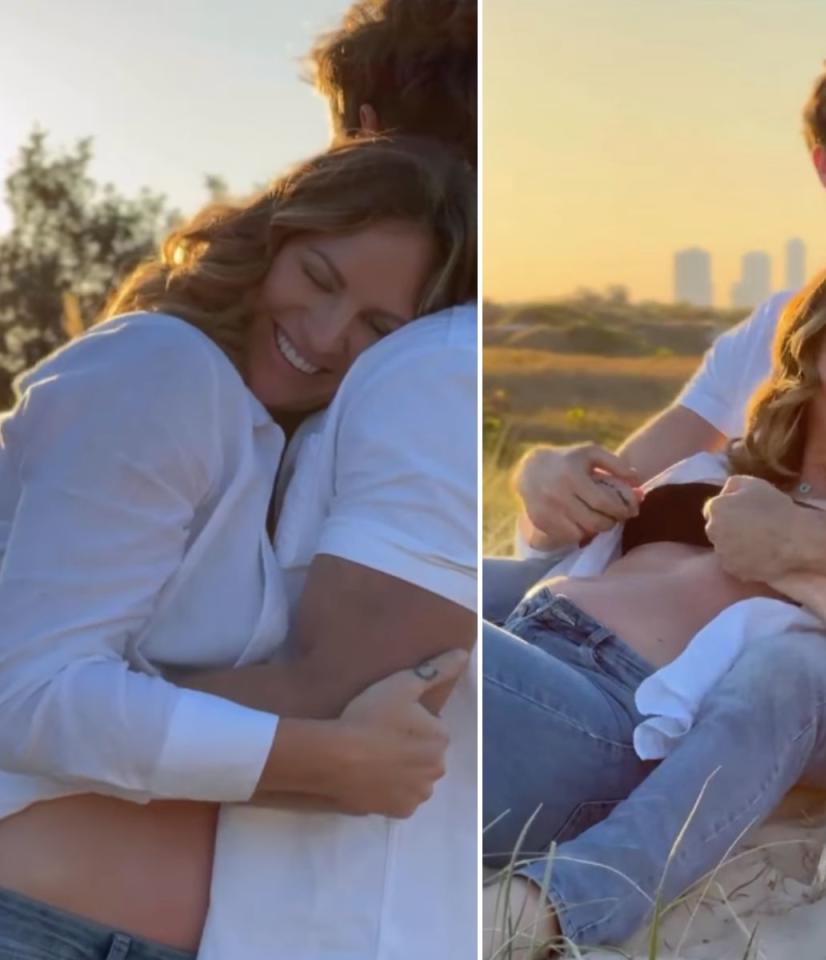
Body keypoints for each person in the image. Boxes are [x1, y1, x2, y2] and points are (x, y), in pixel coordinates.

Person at [0, 135, 475, 960]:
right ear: (270, 240)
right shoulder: (159, 369)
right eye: (318, 278)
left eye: (377, 326)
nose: (326, 336)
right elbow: (27, 696)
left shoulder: (270, 442)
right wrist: (321, 760)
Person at [483, 240, 826, 955]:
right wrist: (543, 479)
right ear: (806, 367)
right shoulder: (718, 465)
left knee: (404, 621)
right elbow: (545, 549)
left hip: (608, 715)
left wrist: (808, 567)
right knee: (360, 589)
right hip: (533, 632)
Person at [157, 3, 480, 958]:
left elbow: (344, 691)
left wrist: (51, 690)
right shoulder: (410, 364)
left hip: (341, 925)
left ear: (368, 130)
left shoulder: (431, 368)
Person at [508, 44, 826, 613]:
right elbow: (617, 489)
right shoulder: (778, 322)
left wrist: (797, 539)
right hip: (617, 605)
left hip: (818, 666)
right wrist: (547, 486)